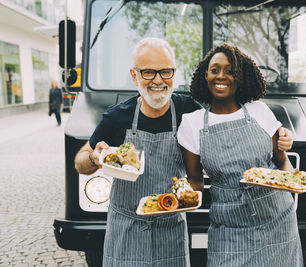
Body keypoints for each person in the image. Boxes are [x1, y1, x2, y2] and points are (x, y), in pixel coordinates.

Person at [74, 37, 293, 266]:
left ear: (174, 73)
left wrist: (281, 135)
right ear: (134, 75)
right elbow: (81, 162)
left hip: (171, 227)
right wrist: (94, 157)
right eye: (148, 72)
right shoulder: (117, 117)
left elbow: (228, 128)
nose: (158, 80)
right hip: (126, 228)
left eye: (165, 72)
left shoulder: (188, 112)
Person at [177, 43, 303, 266]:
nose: (221, 76)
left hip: (277, 221)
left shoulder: (259, 111)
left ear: (240, 77)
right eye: (215, 70)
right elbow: (195, 180)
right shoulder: (192, 123)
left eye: (230, 70)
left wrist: (289, 180)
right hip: (229, 230)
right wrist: (180, 194)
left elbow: (283, 162)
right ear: (205, 75)